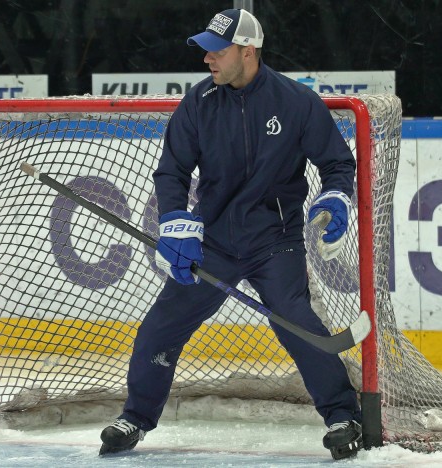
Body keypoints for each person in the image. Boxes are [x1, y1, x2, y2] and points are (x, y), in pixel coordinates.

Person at [100, 8, 362, 460]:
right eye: (205, 51)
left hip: (274, 240)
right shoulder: (198, 102)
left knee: (297, 323)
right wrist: (175, 222)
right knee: (161, 327)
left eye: (217, 50)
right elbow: (172, 170)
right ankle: (135, 418)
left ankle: (343, 415)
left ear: (248, 50)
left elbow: (337, 163)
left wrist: (335, 198)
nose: (207, 60)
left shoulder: (296, 102)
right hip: (215, 242)